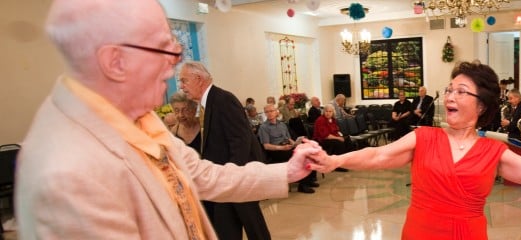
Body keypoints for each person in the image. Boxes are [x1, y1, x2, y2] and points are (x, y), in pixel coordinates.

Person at [16, 1, 320, 239]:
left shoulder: (138, 118)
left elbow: (201, 175)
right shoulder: (68, 175)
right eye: (164, 50)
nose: (172, 69)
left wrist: (287, 171)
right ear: (114, 62)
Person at [307, 60, 521, 239]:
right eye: (449, 89)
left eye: (461, 91)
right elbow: (378, 154)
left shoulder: (493, 150)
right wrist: (334, 159)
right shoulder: (425, 137)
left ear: (482, 106)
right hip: (419, 232)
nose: (450, 96)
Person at [179, 61, 272, 239]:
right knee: (225, 227)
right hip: (223, 178)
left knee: (254, 226)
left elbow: (241, 139)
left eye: (184, 81)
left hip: (237, 177)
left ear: (198, 79)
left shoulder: (223, 99)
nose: (181, 86)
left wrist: (231, 174)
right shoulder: (206, 103)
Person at [258, 104, 317, 193]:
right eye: (267, 112)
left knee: (308, 152)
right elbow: (266, 146)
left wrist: (295, 144)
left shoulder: (282, 125)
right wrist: (281, 148)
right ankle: (303, 185)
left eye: (271, 111)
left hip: (287, 147)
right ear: (265, 114)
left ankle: (309, 179)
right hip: (276, 151)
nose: (269, 113)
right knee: (300, 156)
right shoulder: (264, 127)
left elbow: (288, 138)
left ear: (276, 111)